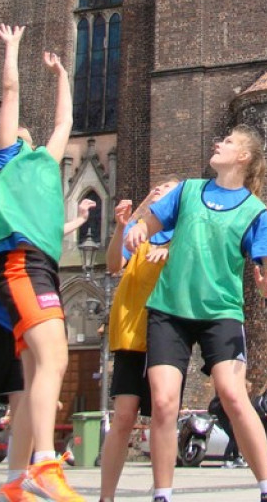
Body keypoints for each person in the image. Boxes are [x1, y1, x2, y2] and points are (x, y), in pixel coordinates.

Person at [124, 125, 267, 502]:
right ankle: (162, 494)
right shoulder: (188, 191)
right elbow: (151, 222)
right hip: (170, 309)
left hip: (221, 313)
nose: (218, 143)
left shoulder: (254, 210)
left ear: (243, 157)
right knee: (164, 402)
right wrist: (138, 229)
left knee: (233, 395)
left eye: (228, 142)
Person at [0, 24, 82, 502]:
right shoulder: (6, 160)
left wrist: (62, 73)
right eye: (19, 131)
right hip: (20, 263)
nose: (24, 131)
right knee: (56, 359)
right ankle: (45, 464)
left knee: (32, 378)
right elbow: (10, 93)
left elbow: (65, 122)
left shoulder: (45, 160)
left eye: (26, 131)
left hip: (42, 266)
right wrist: (13, 48)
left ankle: (14, 484)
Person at [0, 201, 93, 502]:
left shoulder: (25, 228)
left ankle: (14, 486)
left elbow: (44, 232)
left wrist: (79, 221)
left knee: (25, 403)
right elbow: (32, 232)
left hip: (18, 322)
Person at [99, 180, 180, 502]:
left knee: (164, 413)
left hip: (167, 332)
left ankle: (162, 493)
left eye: (168, 188)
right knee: (123, 415)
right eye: (157, 187)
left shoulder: (182, 233)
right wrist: (122, 227)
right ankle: (106, 497)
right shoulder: (138, 231)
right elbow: (113, 265)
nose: (159, 190)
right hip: (131, 332)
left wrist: (170, 251)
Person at [208, 392, 243, 468]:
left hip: (228, 419)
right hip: (225, 420)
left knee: (235, 437)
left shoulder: (224, 396)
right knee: (233, 437)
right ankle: (226, 459)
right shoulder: (223, 397)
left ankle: (236, 458)